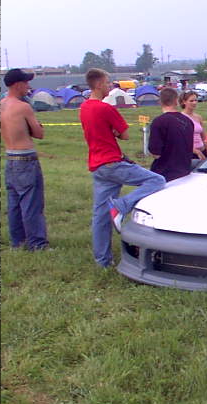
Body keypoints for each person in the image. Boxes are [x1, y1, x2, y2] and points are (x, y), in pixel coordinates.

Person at [80, 68, 165, 267]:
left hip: (97, 165)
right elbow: (125, 135)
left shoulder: (84, 107)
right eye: (107, 82)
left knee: (100, 215)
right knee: (157, 180)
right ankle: (122, 206)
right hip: (112, 163)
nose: (110, 86)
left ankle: (102, 260)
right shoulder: (106, 108)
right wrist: (114, 132)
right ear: (98, 84)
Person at [0, 68, 49, 251]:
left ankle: (18, 241)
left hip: (10, 158)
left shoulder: (0, 106)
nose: (28, 86)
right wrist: (38, 126)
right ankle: (37, 244)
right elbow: (39, 133)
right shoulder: (23, 107)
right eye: (26, 83)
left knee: (14, 204)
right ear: (18, 85)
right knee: (32, 203)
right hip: (26, 158)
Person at [148, 87, 194, 182]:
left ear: (160, 101)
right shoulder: (188, 121)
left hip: (165, 173)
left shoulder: (159, 122)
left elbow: (155, 153)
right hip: (185, 171)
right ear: (176, 101)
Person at [180, 90, 207, 161]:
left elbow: (204, 137)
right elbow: (181, 141)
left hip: (202, 151)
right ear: (184, 102)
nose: (194, 103)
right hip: (190, 154)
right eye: (191, 101)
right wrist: (196, 151)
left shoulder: (198, 117)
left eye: (196, 100)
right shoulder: (180, 118)